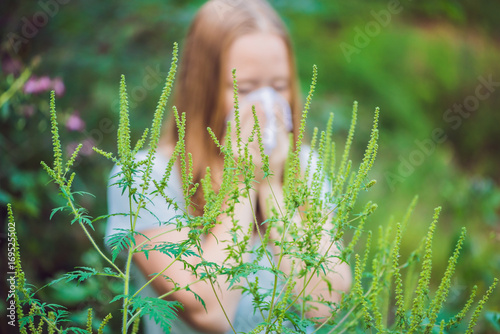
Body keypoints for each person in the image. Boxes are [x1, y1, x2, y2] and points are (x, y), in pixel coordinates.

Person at [106, 0, 351, 333]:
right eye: (246, 89)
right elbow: (211, 312)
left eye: (278, 87)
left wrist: (272, 186)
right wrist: (244, 181)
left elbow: (323, 305)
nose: (265, 105)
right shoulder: (144, 178)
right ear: (203, 89)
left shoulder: (306, 166)